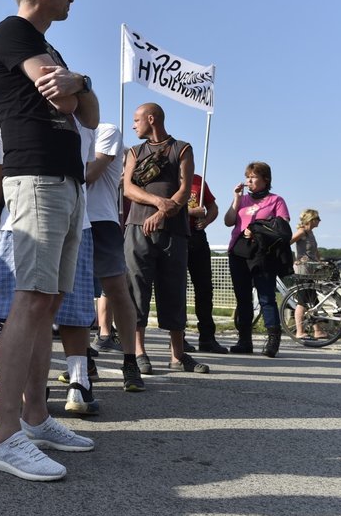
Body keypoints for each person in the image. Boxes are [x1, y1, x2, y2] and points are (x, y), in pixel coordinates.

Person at [0, 0, 99, 482]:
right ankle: (4, 437)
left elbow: (89, 113)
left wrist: (82, 80)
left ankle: (36, 417)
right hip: (36, 180)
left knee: (47, 301)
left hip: (67, 182)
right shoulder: (13, 32)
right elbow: (63, 96)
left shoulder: (51, 48)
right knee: (31, 300)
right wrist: (75, 86)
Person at [123, 103, 209, 375]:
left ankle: (178, 355)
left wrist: (162, 214)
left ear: (151, 119)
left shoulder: (182, 148)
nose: (134, 124)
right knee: (137, 288)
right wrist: (159, 202)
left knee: (174, 289)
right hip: (137, 227)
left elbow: (184, 190)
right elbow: (128, 188)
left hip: (174, 231)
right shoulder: (135, 152)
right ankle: (139, 352)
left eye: (137, 119)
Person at [84, 122, 145, 390]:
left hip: (100, 220)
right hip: (69, 218)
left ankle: (130, 361)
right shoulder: (58, 129)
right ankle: (83, 361)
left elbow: (90, 173)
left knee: (116, 290)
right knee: (69, 295)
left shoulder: (105, 130)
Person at [223, 161, 291, 357]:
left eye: (253, 177)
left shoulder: (276, 200)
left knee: (266, 297)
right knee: (243, 298)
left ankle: (273, 341)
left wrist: (257, 230)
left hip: (263, 253)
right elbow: (228, 221)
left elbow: (282, 227)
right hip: (238, 252)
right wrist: (236, 199)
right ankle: (244, 341)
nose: (249, 180)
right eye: (247, 177)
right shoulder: (243, 200)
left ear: (265, 179)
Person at [186, 174, 228, 353]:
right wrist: (189, 212)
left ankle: (207, 337)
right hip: (176, 236)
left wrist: (206, 220)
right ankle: (178, 337)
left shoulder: (198, 180)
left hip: (197, 237)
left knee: (204, 288)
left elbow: (213, 207)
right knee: (177, 289)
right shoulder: (168, 177)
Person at [290, 209, 325, 340]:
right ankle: (299, 331)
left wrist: (320, 262)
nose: (319, 221)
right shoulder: (302, 232)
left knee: (313, 301)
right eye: (318, 219)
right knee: (302, 301)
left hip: (310, 270)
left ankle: (318, 330)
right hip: (302, 271)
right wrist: (297, 259)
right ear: (312, 220)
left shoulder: (311, 233)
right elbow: (287, 243)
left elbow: (315, 250)